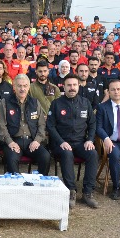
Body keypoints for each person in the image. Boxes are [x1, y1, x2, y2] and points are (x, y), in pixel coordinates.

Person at [46, 74, 99, 209]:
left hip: (81, 142)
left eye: (74, 85)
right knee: (67, 153)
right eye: (69, 85)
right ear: (64, 86)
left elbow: (92, 124)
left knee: (93, 154)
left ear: (78, 86)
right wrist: (61, 142)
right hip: (61, 143)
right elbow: (50, 126)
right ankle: (71, 191)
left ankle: (88, 192)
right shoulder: (56, 104)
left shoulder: (85, 103)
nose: (72, 88)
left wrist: (90, 140)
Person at [0, 74, 50, 174]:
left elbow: (42, 124)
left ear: (29, 87)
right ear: (14, 87)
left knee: (45, 156)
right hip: (14, 141)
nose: (22, 89)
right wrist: (10, 142)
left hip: (32, 141)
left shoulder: (35, 102)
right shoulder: (5, 102)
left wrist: (37, 141)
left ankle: (40, 185)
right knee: (11, 159)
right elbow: (1, 126)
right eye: (19, 86)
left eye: (25, 86)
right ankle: (15, 188)